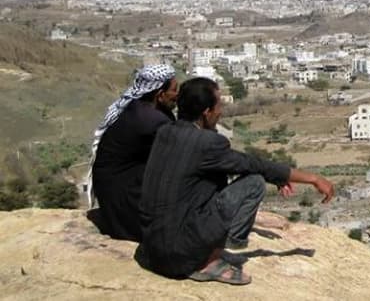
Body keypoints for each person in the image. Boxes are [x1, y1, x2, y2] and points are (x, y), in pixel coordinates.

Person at [138, 77, 335, 285]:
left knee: (218, 178)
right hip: (179, 257)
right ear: (206, 112)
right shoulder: (208, 143)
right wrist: (312, 178)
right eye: (218, 105)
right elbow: (253, 165)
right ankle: (209, 261)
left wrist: (277, 175)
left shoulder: (165, 131)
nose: (221, 111)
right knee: (254, 183)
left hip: (152, 252)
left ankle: (207, 250)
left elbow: (233, 163)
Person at [87, 64, 178, 241]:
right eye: (175, 90)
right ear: (160, 95)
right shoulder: (151, 121)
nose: (178, 95)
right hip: (123, 200)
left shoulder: (138, 109)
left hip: (114, 195)